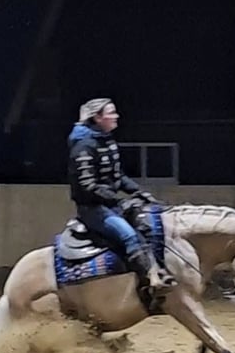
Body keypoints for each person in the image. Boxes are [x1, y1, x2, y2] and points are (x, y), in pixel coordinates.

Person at [67, 97, 176, 293]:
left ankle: (159, 269)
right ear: (98, 118)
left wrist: (139, 192)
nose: (116, 116)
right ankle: (151, 280)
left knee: (147, 226)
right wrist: (119, 200)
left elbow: (118, 176)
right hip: (93, 208)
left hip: (109, 204)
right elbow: (88, 186)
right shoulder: (83, 146)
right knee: (128, 236)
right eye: (111, 112)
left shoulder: (106, 141)